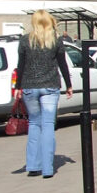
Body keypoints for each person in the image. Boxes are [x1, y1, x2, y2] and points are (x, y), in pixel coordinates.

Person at [14, 10, 73, 178]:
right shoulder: (56, 41)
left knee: (34, 124)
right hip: (50, 87)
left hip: (29, 87)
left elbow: (21, 65)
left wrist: (18, 87)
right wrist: (69, 85)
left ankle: (32, 166)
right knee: (48, 125)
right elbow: (62, 64)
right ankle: (47, 169)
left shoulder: (25, 40)